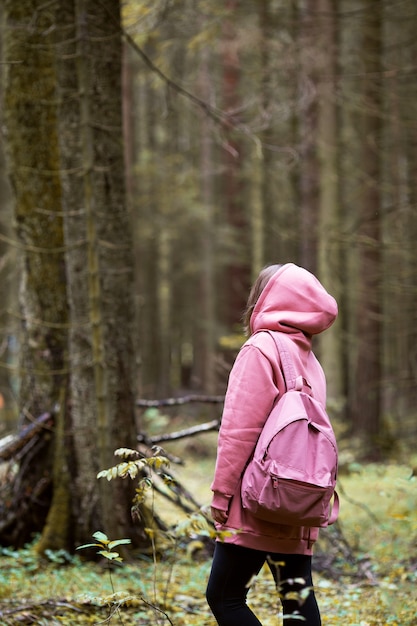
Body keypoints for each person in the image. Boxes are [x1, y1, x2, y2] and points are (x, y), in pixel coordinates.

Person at [206, 263, 338, 626]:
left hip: (256, 499)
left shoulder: (261, 348)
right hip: (301, 497)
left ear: (266, 298)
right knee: (296, 600)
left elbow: (239, 432)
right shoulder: (309, 358)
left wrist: (221, 494)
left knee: (225, 597)